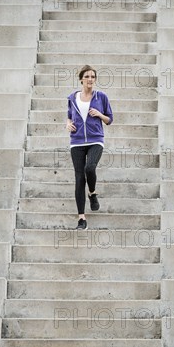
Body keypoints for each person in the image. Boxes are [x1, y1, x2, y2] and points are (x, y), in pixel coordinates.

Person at [66, 65, 113, 230]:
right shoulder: (72, 97)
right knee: (79, 178)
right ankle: (81, 218)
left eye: (93, 77)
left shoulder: (101, 97)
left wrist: (99, 115)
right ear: (81, 79)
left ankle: (92, 193)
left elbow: (110, 119)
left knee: (90, 167)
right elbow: (69, 116)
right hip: (77, 141)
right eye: (87, 76)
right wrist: (68, 124)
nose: (90, 79)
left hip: (95, 140)